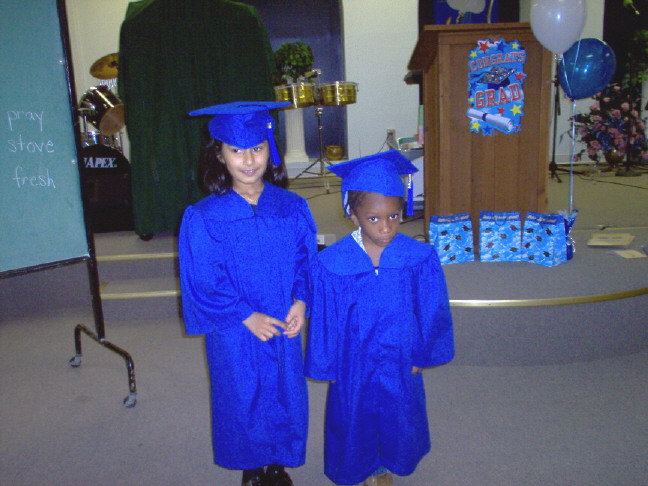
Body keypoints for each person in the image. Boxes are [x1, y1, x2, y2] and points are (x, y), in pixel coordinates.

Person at [179, 101, 318, 486]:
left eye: (256, 148)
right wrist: (245, 315)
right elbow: (204, 278)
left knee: (285, 388)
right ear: (219, 155)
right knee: (241, 391)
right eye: (236, 150)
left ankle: (278, 463)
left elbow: (306, 261)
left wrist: (302, 301)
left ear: (269, 149)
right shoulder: (204, 216)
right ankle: (251, 466)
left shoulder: (292, 207)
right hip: (235, 327)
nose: (248, 159)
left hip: (283, 317)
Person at [305, 150, 454, 486]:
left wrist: (421, 354)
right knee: (354, 415)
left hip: (401, 358)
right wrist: (329, 366)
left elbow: (432, 310)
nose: (385, 227)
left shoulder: (419, 257)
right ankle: (365, 469)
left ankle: (385, 468)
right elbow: (325, 322)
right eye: (373, 218)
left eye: (394, 216)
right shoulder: (331, 263)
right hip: (352, 362)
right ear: (353, 214)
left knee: (399, 414)